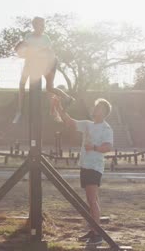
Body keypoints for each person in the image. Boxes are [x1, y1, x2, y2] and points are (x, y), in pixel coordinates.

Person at [52, 97, 113, 246]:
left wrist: (94, 148)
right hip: (85, 165)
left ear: (103, 112)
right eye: (95, 106)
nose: (94, 109)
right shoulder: (87, 125)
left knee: (92, 200)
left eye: (97, 107)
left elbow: (108, 147)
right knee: (92, 200)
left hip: (95, 167)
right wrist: (59, 107)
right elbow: (70, 122)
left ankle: (97, 233)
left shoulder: (106, 128)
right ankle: (93, 229)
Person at [13, 16, 74, 124]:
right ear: (34, 25)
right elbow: (24, 49)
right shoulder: (28, 36)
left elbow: (47, 52)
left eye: (43, 25)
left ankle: (55, 112)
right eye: (41, 25)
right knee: (25, 84)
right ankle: (19, 111)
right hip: (34, 62)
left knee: (49, 87)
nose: (43, 27)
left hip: (46, 63)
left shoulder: (45, 38)